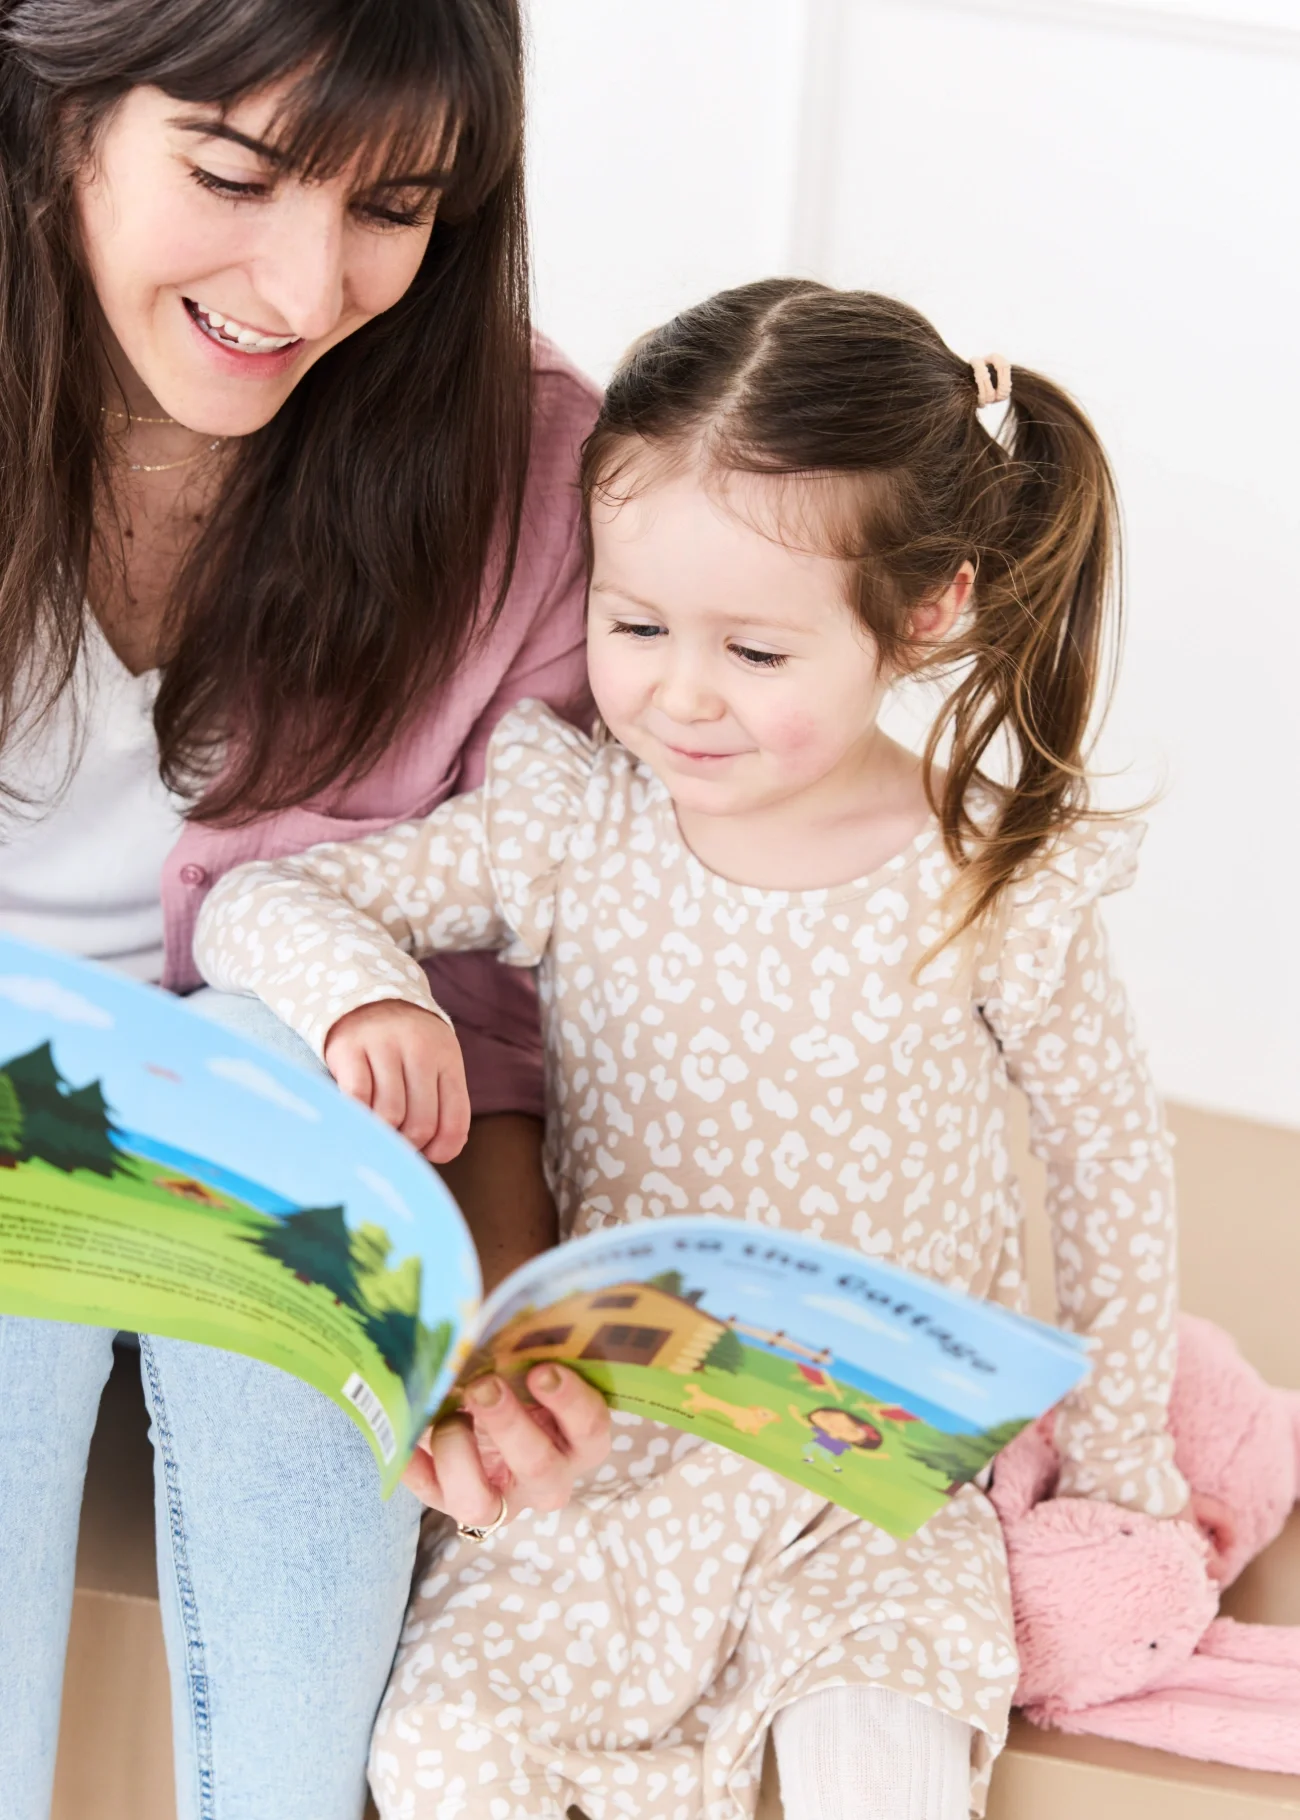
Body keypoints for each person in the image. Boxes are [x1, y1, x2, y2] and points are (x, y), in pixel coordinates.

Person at [196, 279, 1189, 1820]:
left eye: (757, 652)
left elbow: (1111, 1169)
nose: (678, 694)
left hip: (874, 1473)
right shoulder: (576, 821)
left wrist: (1121, 1479)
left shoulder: (992, 877)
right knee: (439, 1754)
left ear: (926, 613)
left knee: (883, 1775)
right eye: (637, 625)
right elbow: (259, 900)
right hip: (622, 1450)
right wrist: (362, 997)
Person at [0, 4, 611, 1817]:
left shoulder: (527, 473)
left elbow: (500, 1006)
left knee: (283, 1063)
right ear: (60, 116)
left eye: (393, 209)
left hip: (279, 1240)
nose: (305, 283)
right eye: (235, 174)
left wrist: (492, 1345)